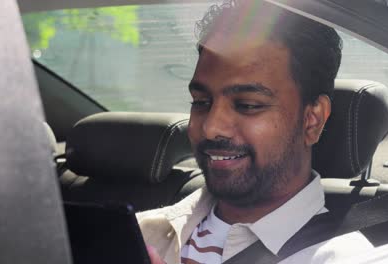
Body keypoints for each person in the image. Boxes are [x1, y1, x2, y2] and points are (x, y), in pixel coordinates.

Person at [137, 0, 373, 263]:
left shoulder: (346, 258)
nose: (211, 127)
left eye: (248, 105)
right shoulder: (137, 235)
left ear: (312, 120)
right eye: (201, 103)